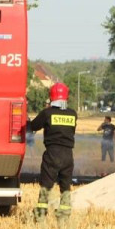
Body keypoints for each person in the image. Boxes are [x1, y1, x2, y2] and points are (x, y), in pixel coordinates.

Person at [27, 82, 77, 220]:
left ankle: (41, 214)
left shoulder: (47, 113)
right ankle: (65, 213)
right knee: (65, 185)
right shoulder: (73, 114)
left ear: (51, 96)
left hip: (52, 153)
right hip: (68, 154)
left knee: (46, 185)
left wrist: (27, 122)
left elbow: (33, 126)